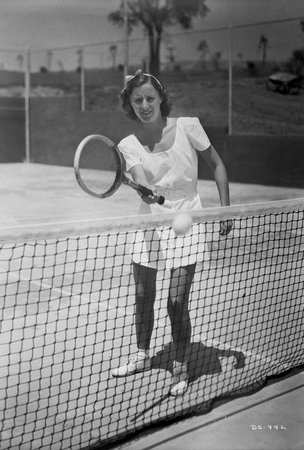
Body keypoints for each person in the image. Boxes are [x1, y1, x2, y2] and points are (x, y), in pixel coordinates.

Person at [111, 69, 232, 396]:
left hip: (187, 219)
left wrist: (225, 208)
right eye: (137, 100)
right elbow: (142, 180)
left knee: (175, 303)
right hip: (150, 222)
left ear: (162, 98)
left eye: (150, 97)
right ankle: (141, 355)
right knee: (141, 296)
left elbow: (217, 165)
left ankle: (180, 365)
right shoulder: (129, 144)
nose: (145, 104)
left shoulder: (189, 126)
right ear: (130, 105)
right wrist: (146, 191)